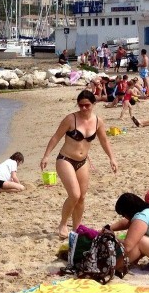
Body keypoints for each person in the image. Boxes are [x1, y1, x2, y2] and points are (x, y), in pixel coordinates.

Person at [40, 90, 118, 235]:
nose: (83, 108)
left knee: (81, 197)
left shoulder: (98, 121)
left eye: (87, 105)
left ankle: (76, 228)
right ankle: (63, 224)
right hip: (65, 159)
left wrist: (112, 158)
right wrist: (46, 156)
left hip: (82, 162)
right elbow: (56, 137)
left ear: (94, 104)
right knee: (74, 195)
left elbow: (104, 141)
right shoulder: (70, 119)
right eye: (80, 105)